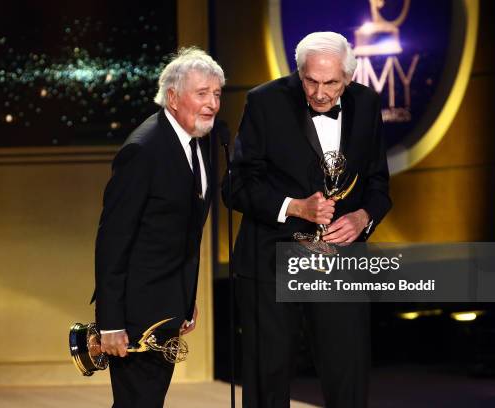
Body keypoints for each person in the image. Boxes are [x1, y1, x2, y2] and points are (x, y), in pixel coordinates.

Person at [223, 32, 392, 407]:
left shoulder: (366, 104)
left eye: (331, 83)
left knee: (347, 378)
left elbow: (379, 184)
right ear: (299, 73)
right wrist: (294, 206)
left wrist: (363, 217)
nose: (318, 93)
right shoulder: (264, 102)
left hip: (339, 262)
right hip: (272, 260)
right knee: (268, 380)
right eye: (310, 81)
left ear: (348, 77)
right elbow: (234, 187)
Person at [93, 47, 224, 407]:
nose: (212, 103)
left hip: (166, 307)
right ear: (172, 97)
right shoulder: (143, 149)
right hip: (136, 317)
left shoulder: (197, 142)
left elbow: (183, 232)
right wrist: (110, 323)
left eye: (216, 94)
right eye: (202, 94)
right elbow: (112, 240)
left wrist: (185, 297)